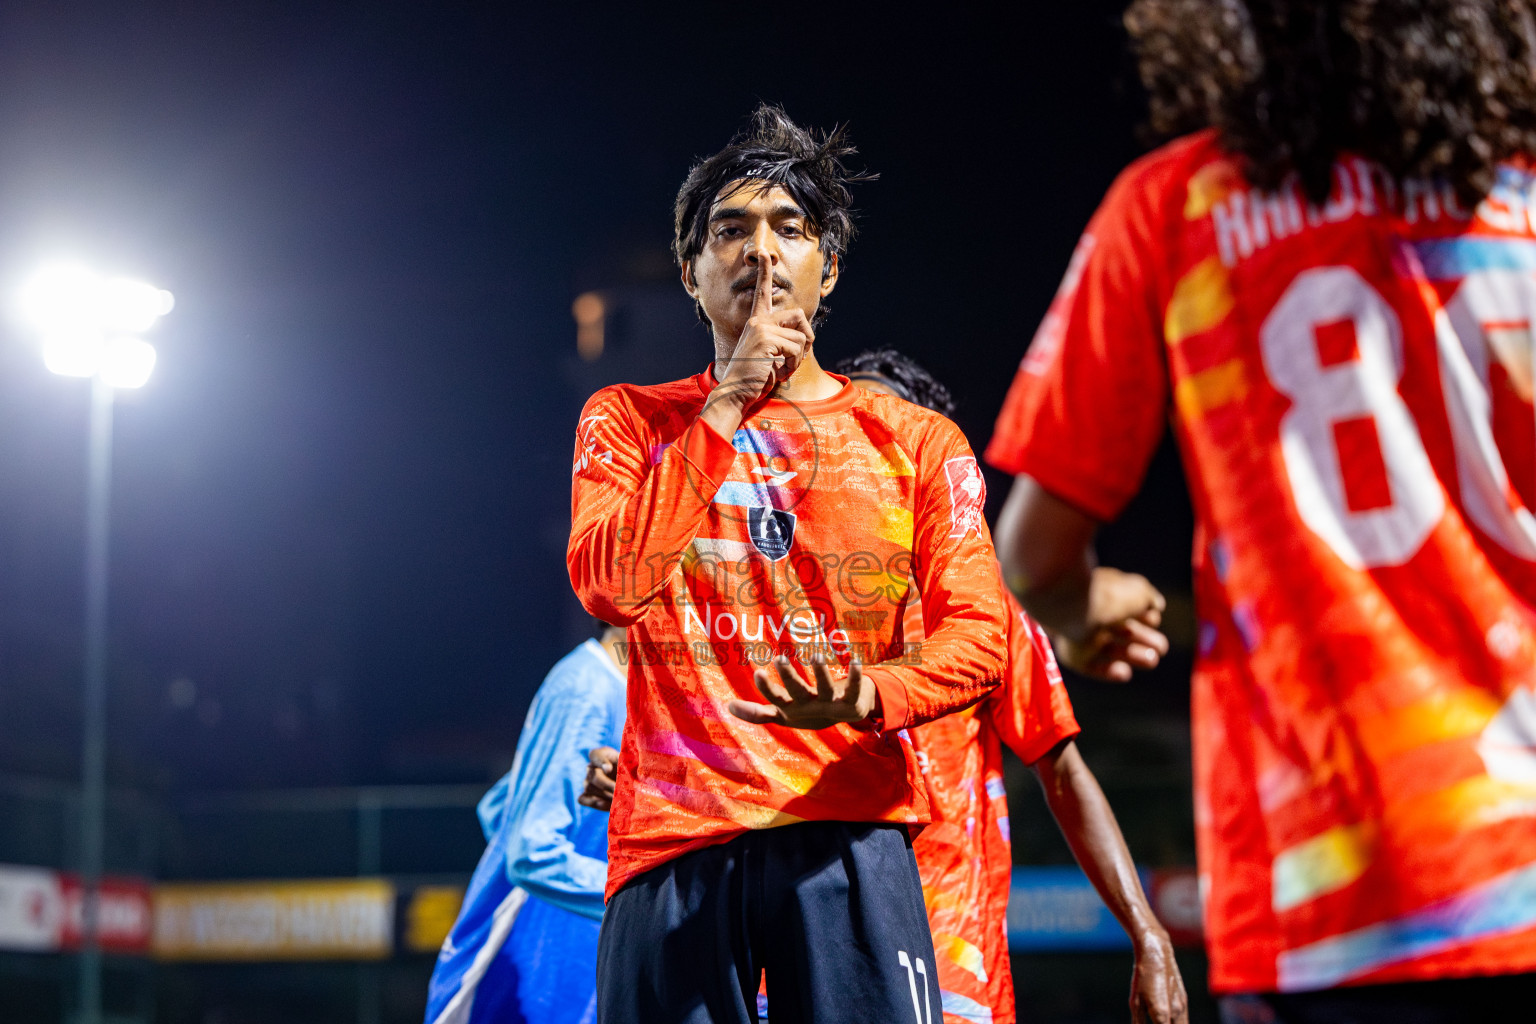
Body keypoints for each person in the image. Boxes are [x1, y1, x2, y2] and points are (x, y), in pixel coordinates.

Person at [987, 2, 1536, 1020]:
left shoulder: (1178, 204)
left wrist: (1080, 600)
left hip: (1335, 898)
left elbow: (1030, 552)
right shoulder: (1522, 192)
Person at [566, 105, 1010, 1023]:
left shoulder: (917, 441)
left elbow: (982, 637)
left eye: (791, 229)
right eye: (730, 230)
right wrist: (727, 405)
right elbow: (609, 584)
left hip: (847, 832)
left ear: (829, 270)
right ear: (692, 276)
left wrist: (869, 693)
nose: (762, 251)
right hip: (673, 842)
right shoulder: (626, 420)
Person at [586, 351, 1189, 1024]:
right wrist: (648, 771)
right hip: (796, 917)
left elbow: (1064, 772)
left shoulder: (986, 618)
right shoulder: (784, 594)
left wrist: (1149, 933)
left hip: (949, 944)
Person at [424, 625, 627, 1024]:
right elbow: (532, 852)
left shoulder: (626, 688)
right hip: (518, 976)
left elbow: (500, 805)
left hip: (569, 967)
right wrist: (641, 900)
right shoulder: (585, 690)